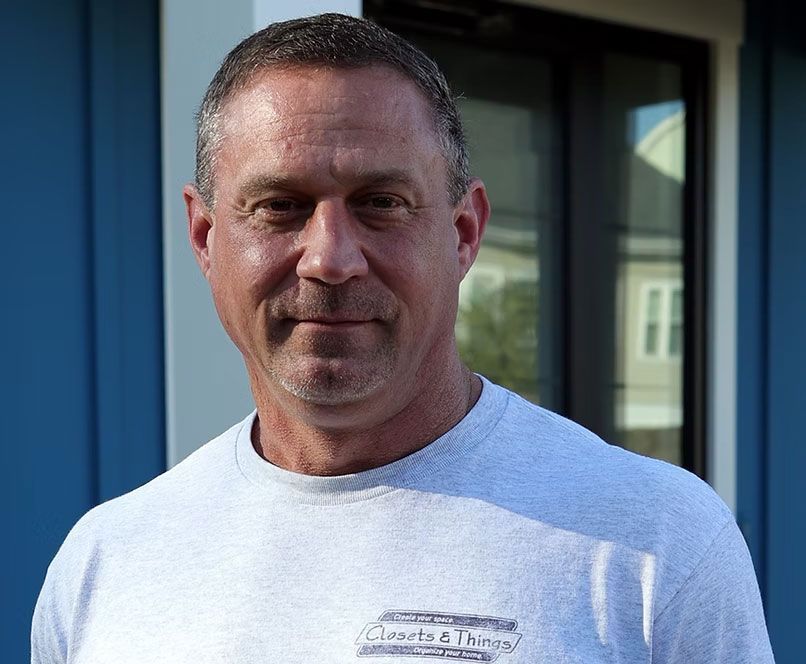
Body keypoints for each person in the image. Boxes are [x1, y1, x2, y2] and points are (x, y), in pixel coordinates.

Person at [32, 13, 774, 663]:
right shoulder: (108, 562)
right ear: (204, 235)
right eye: (280, 205)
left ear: (462, 234)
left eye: (381, 203)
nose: (329, 258)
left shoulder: (654, 546)